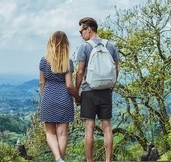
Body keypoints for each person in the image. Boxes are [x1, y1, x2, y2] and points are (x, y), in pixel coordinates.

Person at [75, 17, 120, 162]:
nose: (81, 34)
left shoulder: (85, 47)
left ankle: (90, 161)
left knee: (89, 127)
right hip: (106, 90)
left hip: (89, 91)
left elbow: (80, 72)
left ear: (88, 29)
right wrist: (110, 85)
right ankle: (108, 160)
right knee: (107, 126)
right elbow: (116, 69)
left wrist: (77, 92)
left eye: (81, 31)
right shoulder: (111, 46)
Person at [39, 31, 81, 162]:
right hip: (64, 99)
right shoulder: (68, 62)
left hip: (48, 97)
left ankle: (58, 158)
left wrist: (45, 96)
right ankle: (60, 159)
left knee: (50, 133)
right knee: (62, 134)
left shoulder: (44, 61)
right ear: (65, 45)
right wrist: (77, 98)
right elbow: (69, 85)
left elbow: (42, 82)